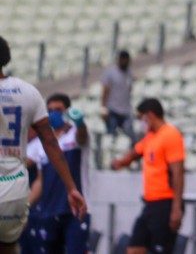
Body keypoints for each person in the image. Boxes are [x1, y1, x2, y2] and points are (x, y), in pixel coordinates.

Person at [0, 35, 86, 253]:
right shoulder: (28, 92)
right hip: (14, 191)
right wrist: (71, 187)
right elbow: (50, 141)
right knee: (9, 247)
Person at [110, 98, 185, 254]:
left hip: (165, 203)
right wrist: (120, 162)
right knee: (134, 248)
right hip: (150, 204)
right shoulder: (151, 137)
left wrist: (176, 207)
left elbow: (178, 172)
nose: (141, 123)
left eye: (141, 118)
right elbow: (135, 153)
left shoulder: (170, 135)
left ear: (149, 115)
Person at [27, 93, 91, 254]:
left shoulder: (74, 135)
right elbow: (39, 181)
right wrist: (25, 205)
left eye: (58, 109)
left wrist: (81, 123)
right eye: (50, 110)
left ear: (67, 111)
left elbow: (82, 137)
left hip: (75, 210)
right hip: (49, 211)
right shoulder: (41, 144)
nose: (54, 113)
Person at [101, 50, 135, 141]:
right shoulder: (110, 73)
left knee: (130, 135)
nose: (124, 62)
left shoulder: (129, 73)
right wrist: (104, 109)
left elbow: (129, 89)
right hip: (113, 110)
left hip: (126, 110)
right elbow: (105, 91)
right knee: (112, 135)